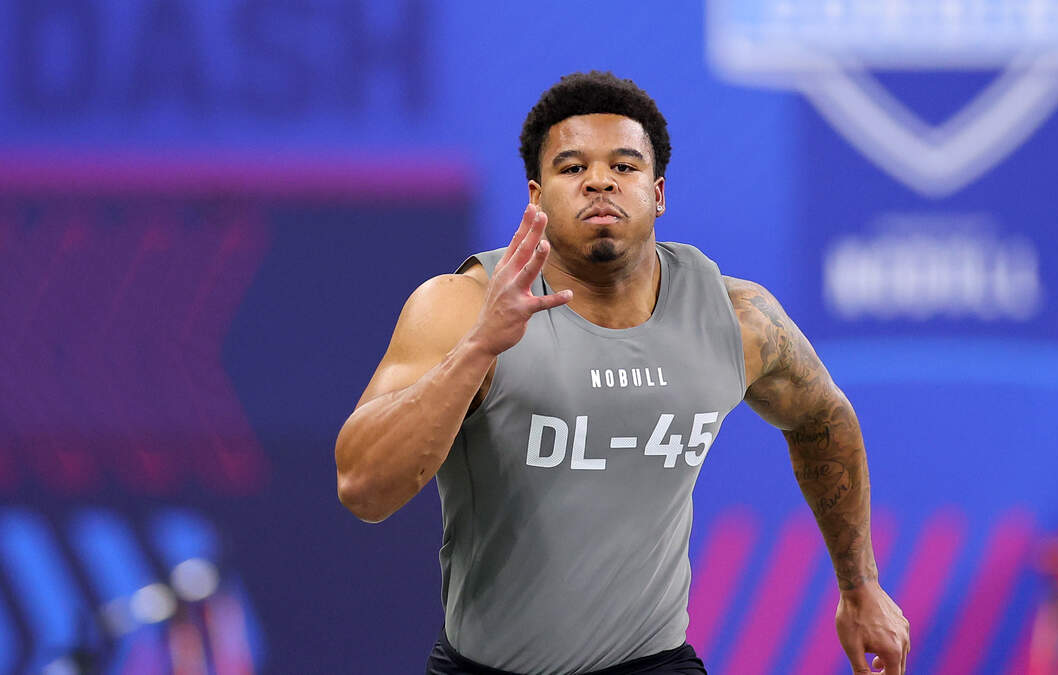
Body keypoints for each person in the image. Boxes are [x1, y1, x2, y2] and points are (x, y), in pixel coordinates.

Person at [334, 71, 910, 675]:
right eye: (572, 167)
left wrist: (860, 586)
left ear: (657, 194)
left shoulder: (737, 318)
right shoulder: (462, 306)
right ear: (536, 197)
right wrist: (478, 348)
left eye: (624, 166)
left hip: (653, 662)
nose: (600, 180)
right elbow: (363, 489)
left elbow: (822, 417)